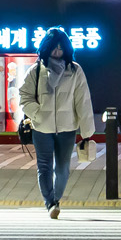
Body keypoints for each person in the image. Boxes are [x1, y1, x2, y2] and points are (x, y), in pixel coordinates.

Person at [18, 27, 97, 218]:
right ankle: (51, 203)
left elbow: (83, 101)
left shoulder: (75, 71)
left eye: (61, 48)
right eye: (54, 48)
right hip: (41, 128)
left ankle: (55, 198)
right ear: (46, 48)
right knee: (44, 167)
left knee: (62, 169)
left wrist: (87, 132)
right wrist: (37, 114)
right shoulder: (36, 71)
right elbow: (24, 97)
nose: (57, 52)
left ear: (67, 49)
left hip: (67, 128)